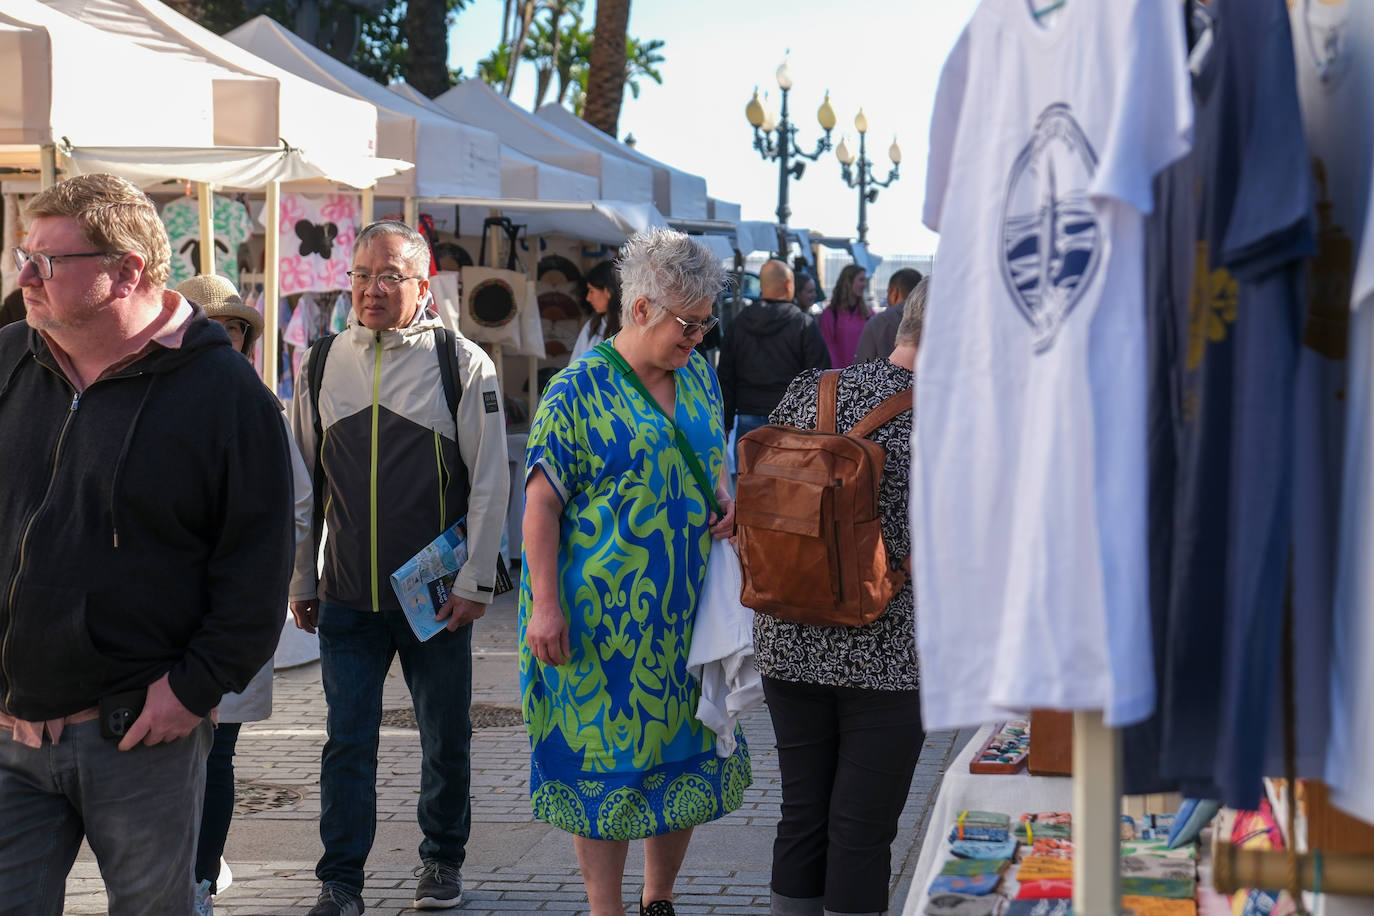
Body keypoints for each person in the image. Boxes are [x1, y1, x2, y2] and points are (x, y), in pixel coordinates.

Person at [0, 173, 294, 915]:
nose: (24, 276)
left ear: (125, 270)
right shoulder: (9, 359)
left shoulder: (226, 394)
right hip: (11, 731)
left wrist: (190, 693)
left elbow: (259, 568)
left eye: (47, 261)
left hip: (139, 735)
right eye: (23, 256)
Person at [520, 228, 752, 916]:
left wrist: (726, 503)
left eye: (706, 323)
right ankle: (605, 908)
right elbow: (539, 503)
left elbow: (711, 461)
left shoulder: (701, 377)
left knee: (682, 763)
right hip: (599, 632)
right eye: (689, 323)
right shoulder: (577, 392)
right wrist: (543, 604)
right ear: (642, 308)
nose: (699, 338)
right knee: (603, 774)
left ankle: (660, 899)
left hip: (687, 626)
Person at [290, 220, 510, 916]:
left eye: (388, 276)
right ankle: (341, 880)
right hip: (348, 597)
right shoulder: (321, 362)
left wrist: (477, 581)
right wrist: (302, 577)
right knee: (346, 742)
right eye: (360, 274)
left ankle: (441, 861)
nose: (371, 288)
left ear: (422, 286)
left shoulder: (464, 363)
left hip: (436, 599)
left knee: (445, 738)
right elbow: (304, 487)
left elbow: (491, 482)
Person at [754, 278, 929, 916]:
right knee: (861, 831)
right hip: (887, 646)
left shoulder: (812, 389)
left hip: (787, 629)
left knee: (801, 814)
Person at [176, 274, 313, 916]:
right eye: (215, 326)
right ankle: (182, 869)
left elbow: (298, 504)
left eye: (235, 328)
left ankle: (199, 877)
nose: (227, 338)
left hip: (231, 607)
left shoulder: (260, 407)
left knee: (218, 746)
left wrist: (275, 582)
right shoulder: (150, 398)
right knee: (174, 752)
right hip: (163, 613)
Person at [717, 259, 830, 463]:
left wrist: (724, 423)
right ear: (789, 285)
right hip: (791, 420)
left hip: (747, 416)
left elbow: (725, 376)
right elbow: (820, 375)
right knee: (788, 488)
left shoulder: (740, 323)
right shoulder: (802, 324)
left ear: (761, 286)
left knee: (750, 487)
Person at [853, 268, 923, 363]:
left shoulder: (877, 323)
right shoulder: (932, 323)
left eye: (888, 292)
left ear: (894, 293)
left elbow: (860, 368)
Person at [817, 264, 872, 368]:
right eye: (861, 280)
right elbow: (827, 350)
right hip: (839, 377)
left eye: (865, 280)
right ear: (848, 282)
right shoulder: (829, 315)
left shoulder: (868, 314)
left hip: (864, 378)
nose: (865, 284)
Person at [569, 259, 623, 359]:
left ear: (608, 291)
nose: (588, 298)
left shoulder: (629, 328)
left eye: (591, 291)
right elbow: (574, 367)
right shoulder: (592, 326)